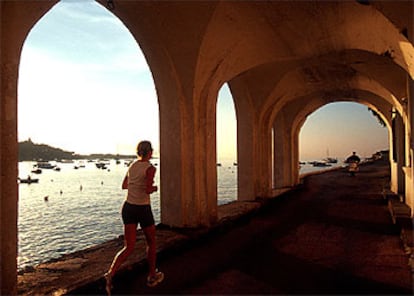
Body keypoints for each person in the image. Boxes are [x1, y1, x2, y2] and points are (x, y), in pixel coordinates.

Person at [104, 140, 164, 295]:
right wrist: (156, 187)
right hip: (142, 209)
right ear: (150, 152)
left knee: (128, 246)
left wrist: (136, 184)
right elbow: (149, 189)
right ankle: (152, 275)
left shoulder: (132, 165)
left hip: (128, 207)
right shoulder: (150, 168)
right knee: (151, 242)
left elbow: (124, 185)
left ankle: (110, 274)